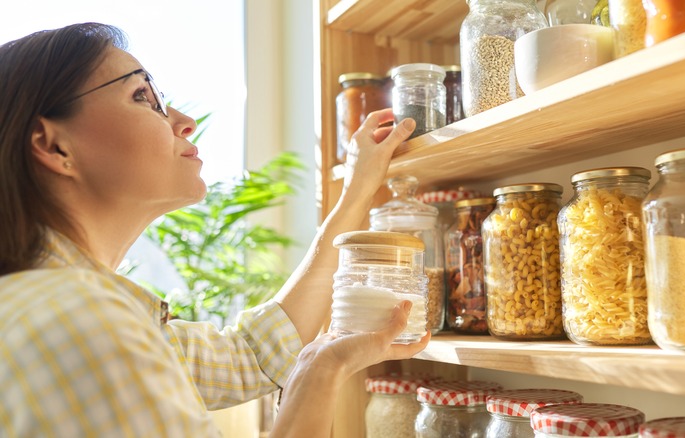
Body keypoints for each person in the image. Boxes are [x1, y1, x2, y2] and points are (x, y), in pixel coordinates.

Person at [0, 22, 428, 437]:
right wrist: (322, 371)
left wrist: (357, 188)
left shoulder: (61, 307)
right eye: (143, 97)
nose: (184, 121)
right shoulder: (78, 322)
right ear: (54, 146)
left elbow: (251, 356)